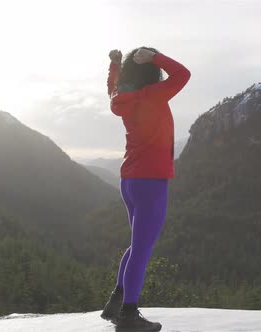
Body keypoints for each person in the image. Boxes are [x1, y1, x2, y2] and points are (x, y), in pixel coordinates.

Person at [100, 46, 191, 332]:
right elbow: (183, 74)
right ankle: (128, 315)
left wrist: (115, 66)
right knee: (141, 249)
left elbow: (112, 88)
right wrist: (155, 56)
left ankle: (116, 302)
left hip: (129, 181)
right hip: (151, 181)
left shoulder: (121, 98)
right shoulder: (153, 94)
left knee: (136, 245)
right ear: (152, 72)